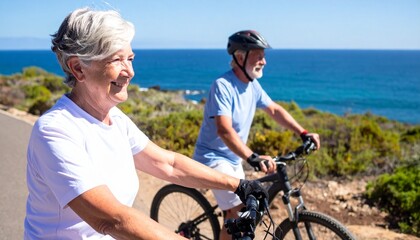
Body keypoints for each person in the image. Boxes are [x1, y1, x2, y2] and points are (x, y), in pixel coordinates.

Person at [24, 9, 268, 239]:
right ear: (78, 68)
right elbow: (112, 220)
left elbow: (168, 164)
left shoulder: (115, 119)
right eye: (117, 60)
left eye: (130, 58)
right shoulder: (56, 131)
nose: (129, 71)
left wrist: (239, 185)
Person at [193, 30, 321, 240]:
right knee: (240, 211)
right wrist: (252, 157)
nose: (264, 61)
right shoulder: (222, 86)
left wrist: (303, 132)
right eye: (259, 55)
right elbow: (224, 130)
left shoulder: (252, 85)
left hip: (233, 158)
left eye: (264, 56)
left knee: (244, 212)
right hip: (213, 158)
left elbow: (274, 110)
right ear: (240, 57)